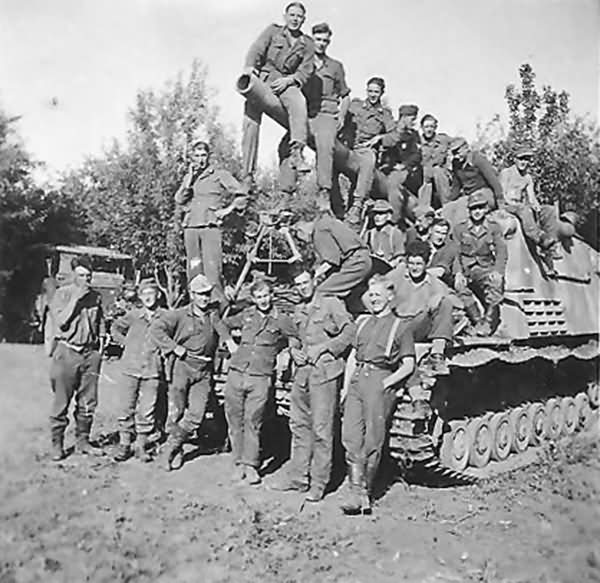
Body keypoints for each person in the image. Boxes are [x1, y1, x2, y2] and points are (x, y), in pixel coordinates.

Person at [269, 267, 355, 502]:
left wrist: (325, 348)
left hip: (324, 374)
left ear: (314, 281)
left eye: (305, 282)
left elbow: (350, 332)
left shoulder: (331, 304)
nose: (302, 287)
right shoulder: (298, 309)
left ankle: (318, 483)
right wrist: (293, 350)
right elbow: (296, 336)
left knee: (321, 431)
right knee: (298, 426)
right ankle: (297, 478)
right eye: (298, 284)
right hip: (302, 374)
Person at [341, 275, 415, 514]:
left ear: (390, 297)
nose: (374, 299)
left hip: (379, 380)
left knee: (372, 440)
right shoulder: (362, 322)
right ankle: (354, 489)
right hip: (357, 380)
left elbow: (408, 364)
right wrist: (346, 386)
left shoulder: (401, 326)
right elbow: (353, 356)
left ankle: (364, 494)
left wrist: (386, 383)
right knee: (351, 436)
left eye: (378, 295)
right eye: (371, 295)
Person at [150, 274, 235, 471]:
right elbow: (156, 329)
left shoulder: (212, 314)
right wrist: (173, 347)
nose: (204, 298)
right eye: (200, 294)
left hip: (204, 371)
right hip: (182, 366)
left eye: (207, 294)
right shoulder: (178, 315)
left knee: (196, 415)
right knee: (177, 412)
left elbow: (222, 322)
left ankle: (169, 448)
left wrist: (229, 341)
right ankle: (175, 452)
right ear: (192, 294)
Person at [222, 279, 297, 486]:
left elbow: (295, 337)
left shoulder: (281, 319)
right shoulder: (247, 315)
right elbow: (221, 323)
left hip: (260, 377)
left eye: (266, 296)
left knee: (253, 421)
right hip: (237, 373)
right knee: (235, 420)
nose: (263, 300)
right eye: (259, 297)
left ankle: (251, 465)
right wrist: (229, 342)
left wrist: (287, 353)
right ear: (253, 299)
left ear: (271, 296)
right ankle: (238, 463)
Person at [279, 22, 350, 204]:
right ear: (312, 39)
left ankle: (324, 192)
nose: (321, 43)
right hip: (306, 113)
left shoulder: (335, 66)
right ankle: (285, 195)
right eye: (317, 39)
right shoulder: (302, 63)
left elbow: (346, 95)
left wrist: (341, 116)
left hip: (326, 113)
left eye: (325, 40)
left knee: (325, 145)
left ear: (329, 42)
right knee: (287, 146)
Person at [242, 2, 314, 182]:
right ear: (285, 16)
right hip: (264, 78)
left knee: (299, 102)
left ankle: (297, 151)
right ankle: (247, 174)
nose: (295, 19)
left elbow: (306, 69)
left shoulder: (307, 43)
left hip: (286, 81)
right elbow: (257, 49)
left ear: (303, 19)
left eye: (299, 16)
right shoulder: (273, 31)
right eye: (292, 15)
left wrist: (290, 80)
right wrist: (250, 67)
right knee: (250, 121)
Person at [174, 140, 248, 300]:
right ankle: (196, 308)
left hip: (210, 226)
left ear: (208, 157)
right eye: (197, 156)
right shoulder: (190, 176)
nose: (200, 159)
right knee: (193, 268)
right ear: (192, 158)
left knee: (212, 270)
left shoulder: (220, 174)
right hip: (191, 226)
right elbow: (179, 199)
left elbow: (242, 194)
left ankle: (217, 307)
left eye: (203, 155)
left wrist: (227, 210)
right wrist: (190, 179)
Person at [48, 255, 105, 461]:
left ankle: (83, 441)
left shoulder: (96, 296)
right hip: (67, 352)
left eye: (88, 276)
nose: (85, 280)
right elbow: (61, 322)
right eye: (81, 275)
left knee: (88, 402)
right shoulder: (62, 294)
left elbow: (100, 322)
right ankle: (57, 444)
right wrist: (76, 300)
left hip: (90, 354)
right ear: (73, 275)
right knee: (61, 401)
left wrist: (100, 346)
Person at [111, 278, 166, 463]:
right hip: (130, 368)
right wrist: (125, 343)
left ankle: (141, 446)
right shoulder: (134, 315)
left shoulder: (166, 317)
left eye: (151, 293)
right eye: (144, 294)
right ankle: (124, 443)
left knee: (147, 410)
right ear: (140, 297)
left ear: (158, 295)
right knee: (126, 407)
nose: (148, 297)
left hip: (152, 370)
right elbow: (116, 328)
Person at [384, 240, 454, 375]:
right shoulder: (396, 275)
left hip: (417, 326)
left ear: (426, 264)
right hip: (397, 325)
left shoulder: (434, 282)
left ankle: (437, 355)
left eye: (418, 264)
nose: (414, 268)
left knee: (445, 303)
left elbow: (458, 302)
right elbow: (373, 291)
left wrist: (441, 296)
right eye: (411, 263)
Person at [341, 77, 396, 227]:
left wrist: (380, 138)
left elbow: (394, 136)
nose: (372, 95)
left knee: (368, 162)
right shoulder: (356, 105)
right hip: (349, 146)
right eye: (370, 91)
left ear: (381, 93)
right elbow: (343, 117)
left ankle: (358, 204)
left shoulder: (384, 114)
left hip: (366, 149)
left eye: (376, 92)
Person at [453, 191, 508, 336]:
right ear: (469, 210)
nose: (477, 212)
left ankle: (488, 322)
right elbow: (455, 253)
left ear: (485, 209)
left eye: (480, 208)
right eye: (473, 208)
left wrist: (498, 271)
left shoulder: (493, 227)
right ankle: (477, 320)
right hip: (467, 269)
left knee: (497, 284)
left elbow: (501, 251)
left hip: (486, 267)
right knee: (459, 286)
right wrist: (458, 273)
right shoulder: (460, 229)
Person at [294, 205, 373, 298]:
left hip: (355, 263)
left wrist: (314, 275)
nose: (299, 236)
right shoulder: (326, 222)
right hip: (362, 259)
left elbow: (331, 260)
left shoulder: (319, 230)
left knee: (322, 291)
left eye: (298, 231)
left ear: (302, 226)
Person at [499, 145, 559, 266]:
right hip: (506, 205)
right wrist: (514, 203)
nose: (523, 162)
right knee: (524, 209)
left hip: (519, 205)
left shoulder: (527, 178)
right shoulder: (506, 173)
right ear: (515, 159)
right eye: (521, 159)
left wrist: (536, 206)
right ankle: (539, 238)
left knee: (549, 210)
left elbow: (532, 197)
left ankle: (550, 246)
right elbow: (502, 194)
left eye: (526, 159)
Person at [380, 104, 423, 222]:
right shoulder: (391, 131)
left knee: (394, 183)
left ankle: (395, 218)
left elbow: (417, 155)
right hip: (386, 167)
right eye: (412, 119)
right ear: (403, 117)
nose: (414, 122)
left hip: (404, 170)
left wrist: (404, 165)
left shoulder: (413, 135)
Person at [447, 137, 504, 226]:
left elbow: (493, 180)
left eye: (458, 152)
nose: (456, 156)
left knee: (462, 209)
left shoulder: (478, 159)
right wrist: (449, 203)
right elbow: (456, 186)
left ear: (466, 148)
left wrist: (500, 200)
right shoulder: (456, 163)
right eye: (454, 153)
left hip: (485, 193)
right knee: (449, 209)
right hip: (468, 195)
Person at [417, 114, 452, 208]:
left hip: (441, 178)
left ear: (435, 127)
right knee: (426, 173)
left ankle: (446, 206)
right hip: (424, 178)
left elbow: (459, 143)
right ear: (421, 128)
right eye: (426, 127)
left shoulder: (443, 139)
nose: (429, 129)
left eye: (431, 126)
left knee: (437, 171)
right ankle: (424, 210)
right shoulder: (416, 142)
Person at [364, 200, 406, 266]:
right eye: (375, 214)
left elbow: (400, 256)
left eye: (381, 214)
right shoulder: (369, 234)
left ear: (388, 216)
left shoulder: (395, 233)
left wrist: (390, 264)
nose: (377, 217)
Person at [428, 218, 459, 287]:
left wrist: (419, 272)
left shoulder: (450, 248)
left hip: (441, 285)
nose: (440, 237)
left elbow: (440, 271)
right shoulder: (421, 245)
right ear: (430, 231)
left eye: (443, 234)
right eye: (437, 232)